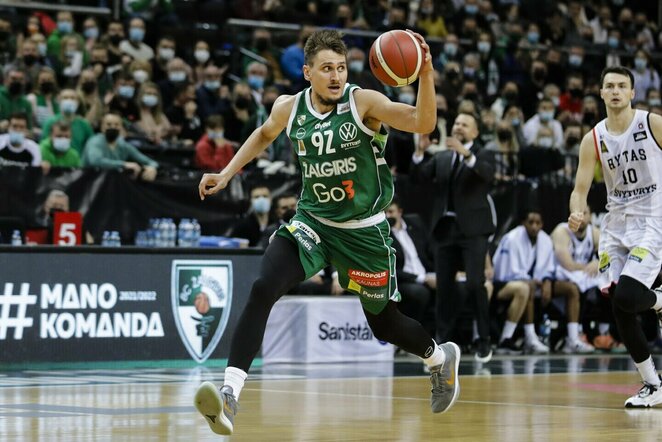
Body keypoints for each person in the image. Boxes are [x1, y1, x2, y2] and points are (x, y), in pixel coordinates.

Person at [195, 29, 460, 436]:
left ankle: (439, 360)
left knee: (385, 326)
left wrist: (425, 73)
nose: (336, 76)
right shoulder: (289, 107)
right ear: (307, 73)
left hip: (364, 234)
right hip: (313, 223)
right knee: (265, 286)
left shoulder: (364, 103)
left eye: (340, 68)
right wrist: (228, 173)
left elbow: (422, 121)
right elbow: (265, 134)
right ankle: (230, 395)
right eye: (326, 69)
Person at [568, 66, 662, 408]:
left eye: (623, 85)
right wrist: (577, 211)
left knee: (629, 295)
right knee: (619, 306)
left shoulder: (652, 123)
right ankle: (653, 384)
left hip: (652, 220)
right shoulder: (592, 138)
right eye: (610, 86)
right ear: (602, 93)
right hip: (614, 224)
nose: (616, 91)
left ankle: (657, 300)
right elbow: (580, 189)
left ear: (633, 92)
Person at [411, 112, 495, 363]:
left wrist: (467, 154)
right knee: (444, 288)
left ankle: (484, 339)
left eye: (465, 124)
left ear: (475, 132)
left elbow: (487, 174)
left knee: (474, 284)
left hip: (473, 231)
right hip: (445, 229)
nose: (459, 127)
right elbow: (417, 179)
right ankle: (441, 347)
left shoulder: (484, 154)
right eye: (456, 123)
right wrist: (419, 153)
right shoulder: (442, 156)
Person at [492, 210, 554, 355]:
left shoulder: (545, 240)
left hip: (529, 283)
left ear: (542, 224)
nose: (534, 226)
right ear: (523, 223)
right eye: (530, 222)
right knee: (525, 288)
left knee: (530, 287)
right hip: (501, 283)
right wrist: (530, 281)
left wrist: (547, 282)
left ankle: (531, 336)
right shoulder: (512, 238)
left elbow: (548, 268)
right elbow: (507, 271)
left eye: (538, 223)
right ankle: (507, 338)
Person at [82, 112, 158, 181]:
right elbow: (95, 161)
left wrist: (152, 168)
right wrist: (124, 164)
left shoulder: (123, 145)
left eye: (116, 125)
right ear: (101, 126)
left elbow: (148, 161)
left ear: (121, 127)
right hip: (90, 182)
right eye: (108, 124)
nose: (113, 127)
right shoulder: (95, 141)